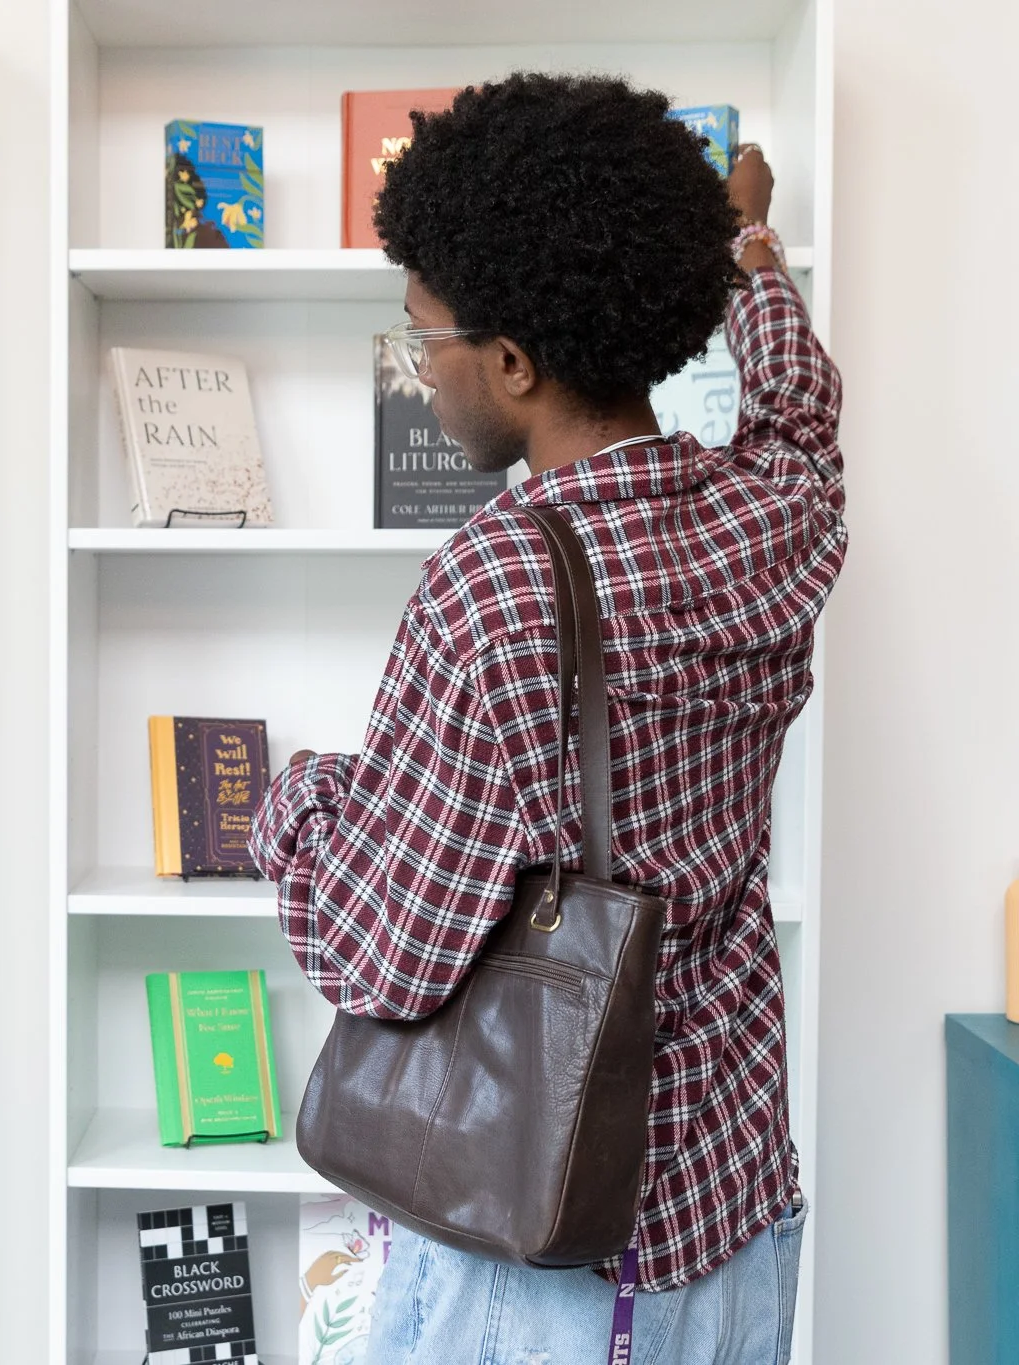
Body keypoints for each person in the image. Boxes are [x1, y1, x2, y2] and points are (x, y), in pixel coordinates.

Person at [251, 73, 839, 1364]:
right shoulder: (778, 509)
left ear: (511, 362)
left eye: (426, 336)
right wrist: (747, 246)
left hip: (541, 1264)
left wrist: (295, 798)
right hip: (734, 1215)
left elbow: (382, 954)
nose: (421, 366)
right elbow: (800, 404)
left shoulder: (499, 583)